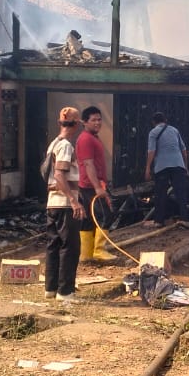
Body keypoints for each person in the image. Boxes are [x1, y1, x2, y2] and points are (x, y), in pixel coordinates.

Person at [44, 106, 85, 300]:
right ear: (76, 125)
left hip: (52, 203)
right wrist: (73, 201)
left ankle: (50, 289)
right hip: (64, 204)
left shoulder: (53, 143)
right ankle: (65, 291)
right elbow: (60, 173)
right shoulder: (66, 146)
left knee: (53, 245)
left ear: (60, 123)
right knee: (70, 247)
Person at [76, 105, 115, 264]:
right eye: (94, 120)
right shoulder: (86, 139)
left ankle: (86, 254)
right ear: (84, 122)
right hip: (91, 185)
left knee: (88, 219)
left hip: (89, 184)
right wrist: (98, 187)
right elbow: (88, 164)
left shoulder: (92, 137)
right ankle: (99, 250)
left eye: (99, 119)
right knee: (105, 215)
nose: (98, 123)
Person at [145, 111, 189, 224]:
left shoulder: (153, 132)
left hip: (162, 166)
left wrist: (148, 168)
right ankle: (184, 219)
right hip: (178, 164)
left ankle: (159, 220)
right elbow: (184, 150)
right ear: (165, 120)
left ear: (153, 122)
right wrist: (185, 166)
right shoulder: (175, 130)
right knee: (181, 193)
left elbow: (151, 151)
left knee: (160, 193)